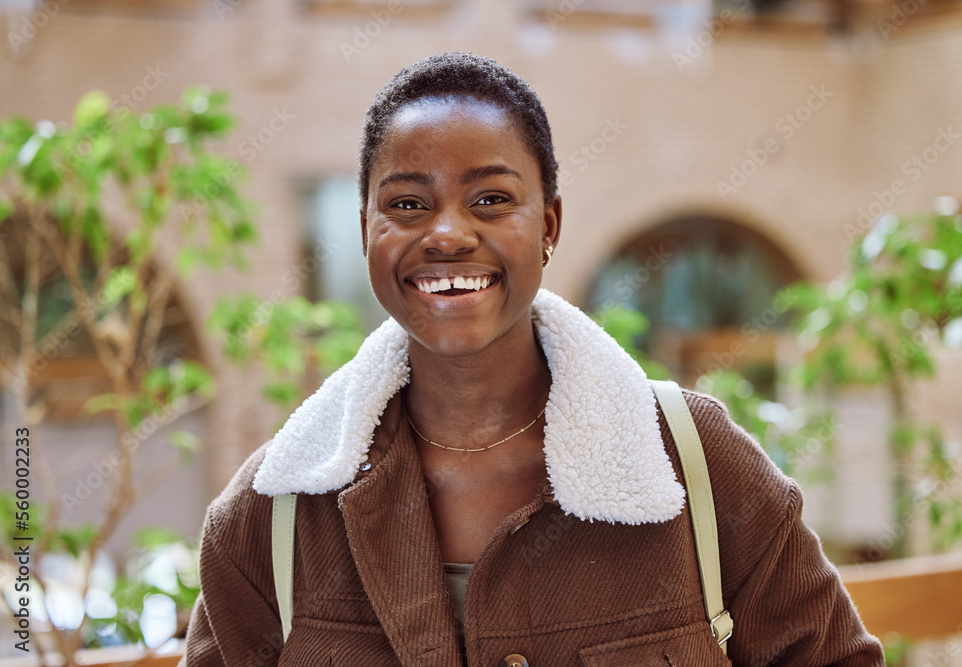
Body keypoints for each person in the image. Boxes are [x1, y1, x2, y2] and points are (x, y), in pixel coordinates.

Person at [182, 52, 884, 666]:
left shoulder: (696, 464)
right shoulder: (270, 519)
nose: (449, 234)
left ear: (547, 223)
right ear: (367, 228)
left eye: (491, 199)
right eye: (406, 203)